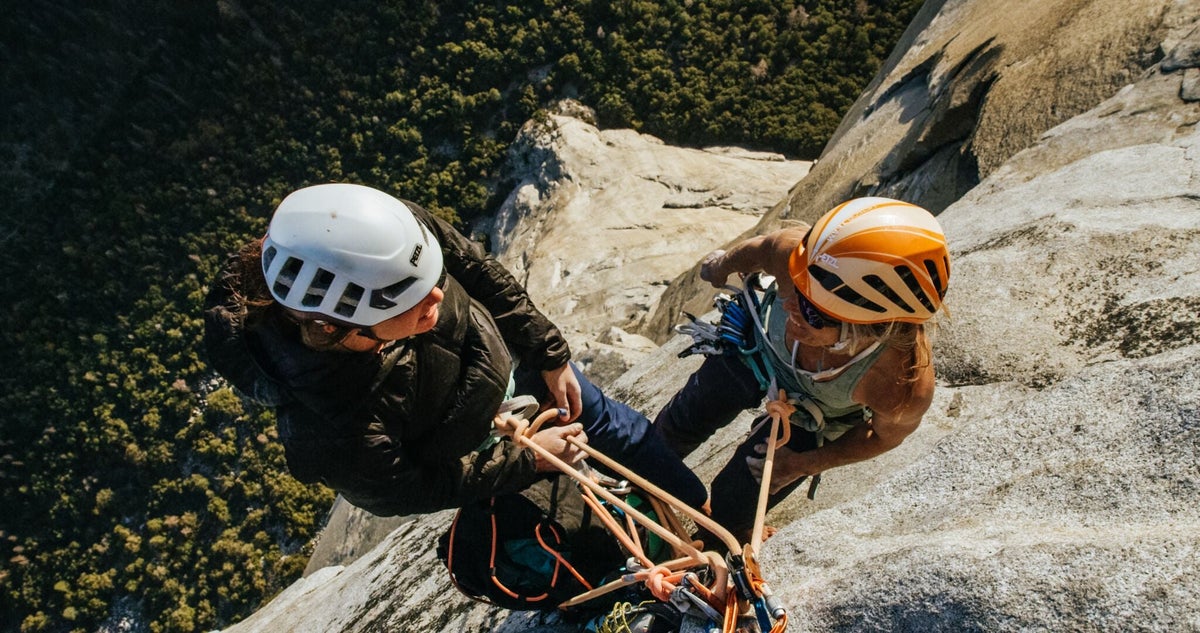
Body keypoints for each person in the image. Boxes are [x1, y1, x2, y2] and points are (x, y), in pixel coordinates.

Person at [204, 183, 707, 516]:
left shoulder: (384, 236)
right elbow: (407, 487)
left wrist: (548, 353)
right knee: (576, 523)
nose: (439, 297)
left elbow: (474, 268)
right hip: (483, 447)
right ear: (340, 330)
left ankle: (704, 520)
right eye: (409, 300)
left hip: (515, 364)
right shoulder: (333, 430)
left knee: (625, 433)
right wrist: (526, 465)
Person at [654, 197, 950, 544]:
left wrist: (806, 463)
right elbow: (765, 248)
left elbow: (884, 436)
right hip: (756, 348)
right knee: (679, 426)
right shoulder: (801, 256)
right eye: (796, 284)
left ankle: (729, 533)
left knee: (735, 503)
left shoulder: (900, 386)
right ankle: (639, 476)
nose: (789, 307)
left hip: (814, 411)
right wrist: (720, 266)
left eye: (812, 314)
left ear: (868, 329)